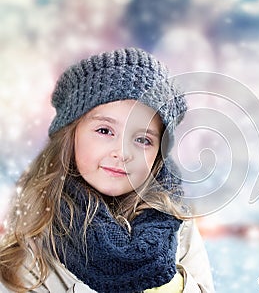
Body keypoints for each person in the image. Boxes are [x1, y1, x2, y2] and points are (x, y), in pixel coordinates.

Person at [0, 47, 214, 293]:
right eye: (105, 131)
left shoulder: (174, 221)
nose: (122, 153)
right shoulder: (37, 231)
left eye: (143, 139)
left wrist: (171, 286)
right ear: (71, 136)